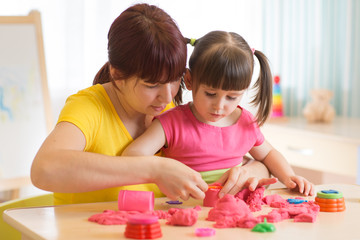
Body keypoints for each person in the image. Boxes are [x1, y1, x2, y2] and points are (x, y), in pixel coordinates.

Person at [30, 4, 270, 205]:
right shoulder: (90, 107)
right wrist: (153, 169)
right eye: (151, 84)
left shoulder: (170, 113)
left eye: (175, 81)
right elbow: (44, 169)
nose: (167, 97)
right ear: (117, 74)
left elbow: (243, 155)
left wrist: (252, 172)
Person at [122, 31, 315, 197]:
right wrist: (164, 171)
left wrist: (289, 177)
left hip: (235, 212)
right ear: (189, 80)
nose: (219, 106)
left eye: (232, 97)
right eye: (210, 94)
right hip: (185, 211)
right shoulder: (172, 122)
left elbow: (268, 154)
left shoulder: (245, 122)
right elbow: (133, 155)